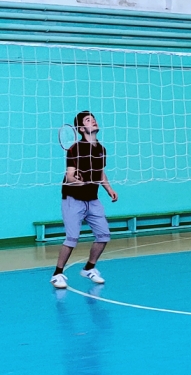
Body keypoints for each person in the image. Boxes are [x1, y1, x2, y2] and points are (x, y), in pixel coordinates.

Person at [50, 111, 118, 289]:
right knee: (72, 238)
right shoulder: (75, 149)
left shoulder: (101, 149)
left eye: (94, 119)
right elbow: (69, 175)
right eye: (88, 120)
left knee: (104, 236)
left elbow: (100, 172)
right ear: (81, 129)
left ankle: (89, 268)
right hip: (73, 199)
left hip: (92, 199)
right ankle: (57, 274)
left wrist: (109, 189)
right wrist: (78, 182)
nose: (93, 121)